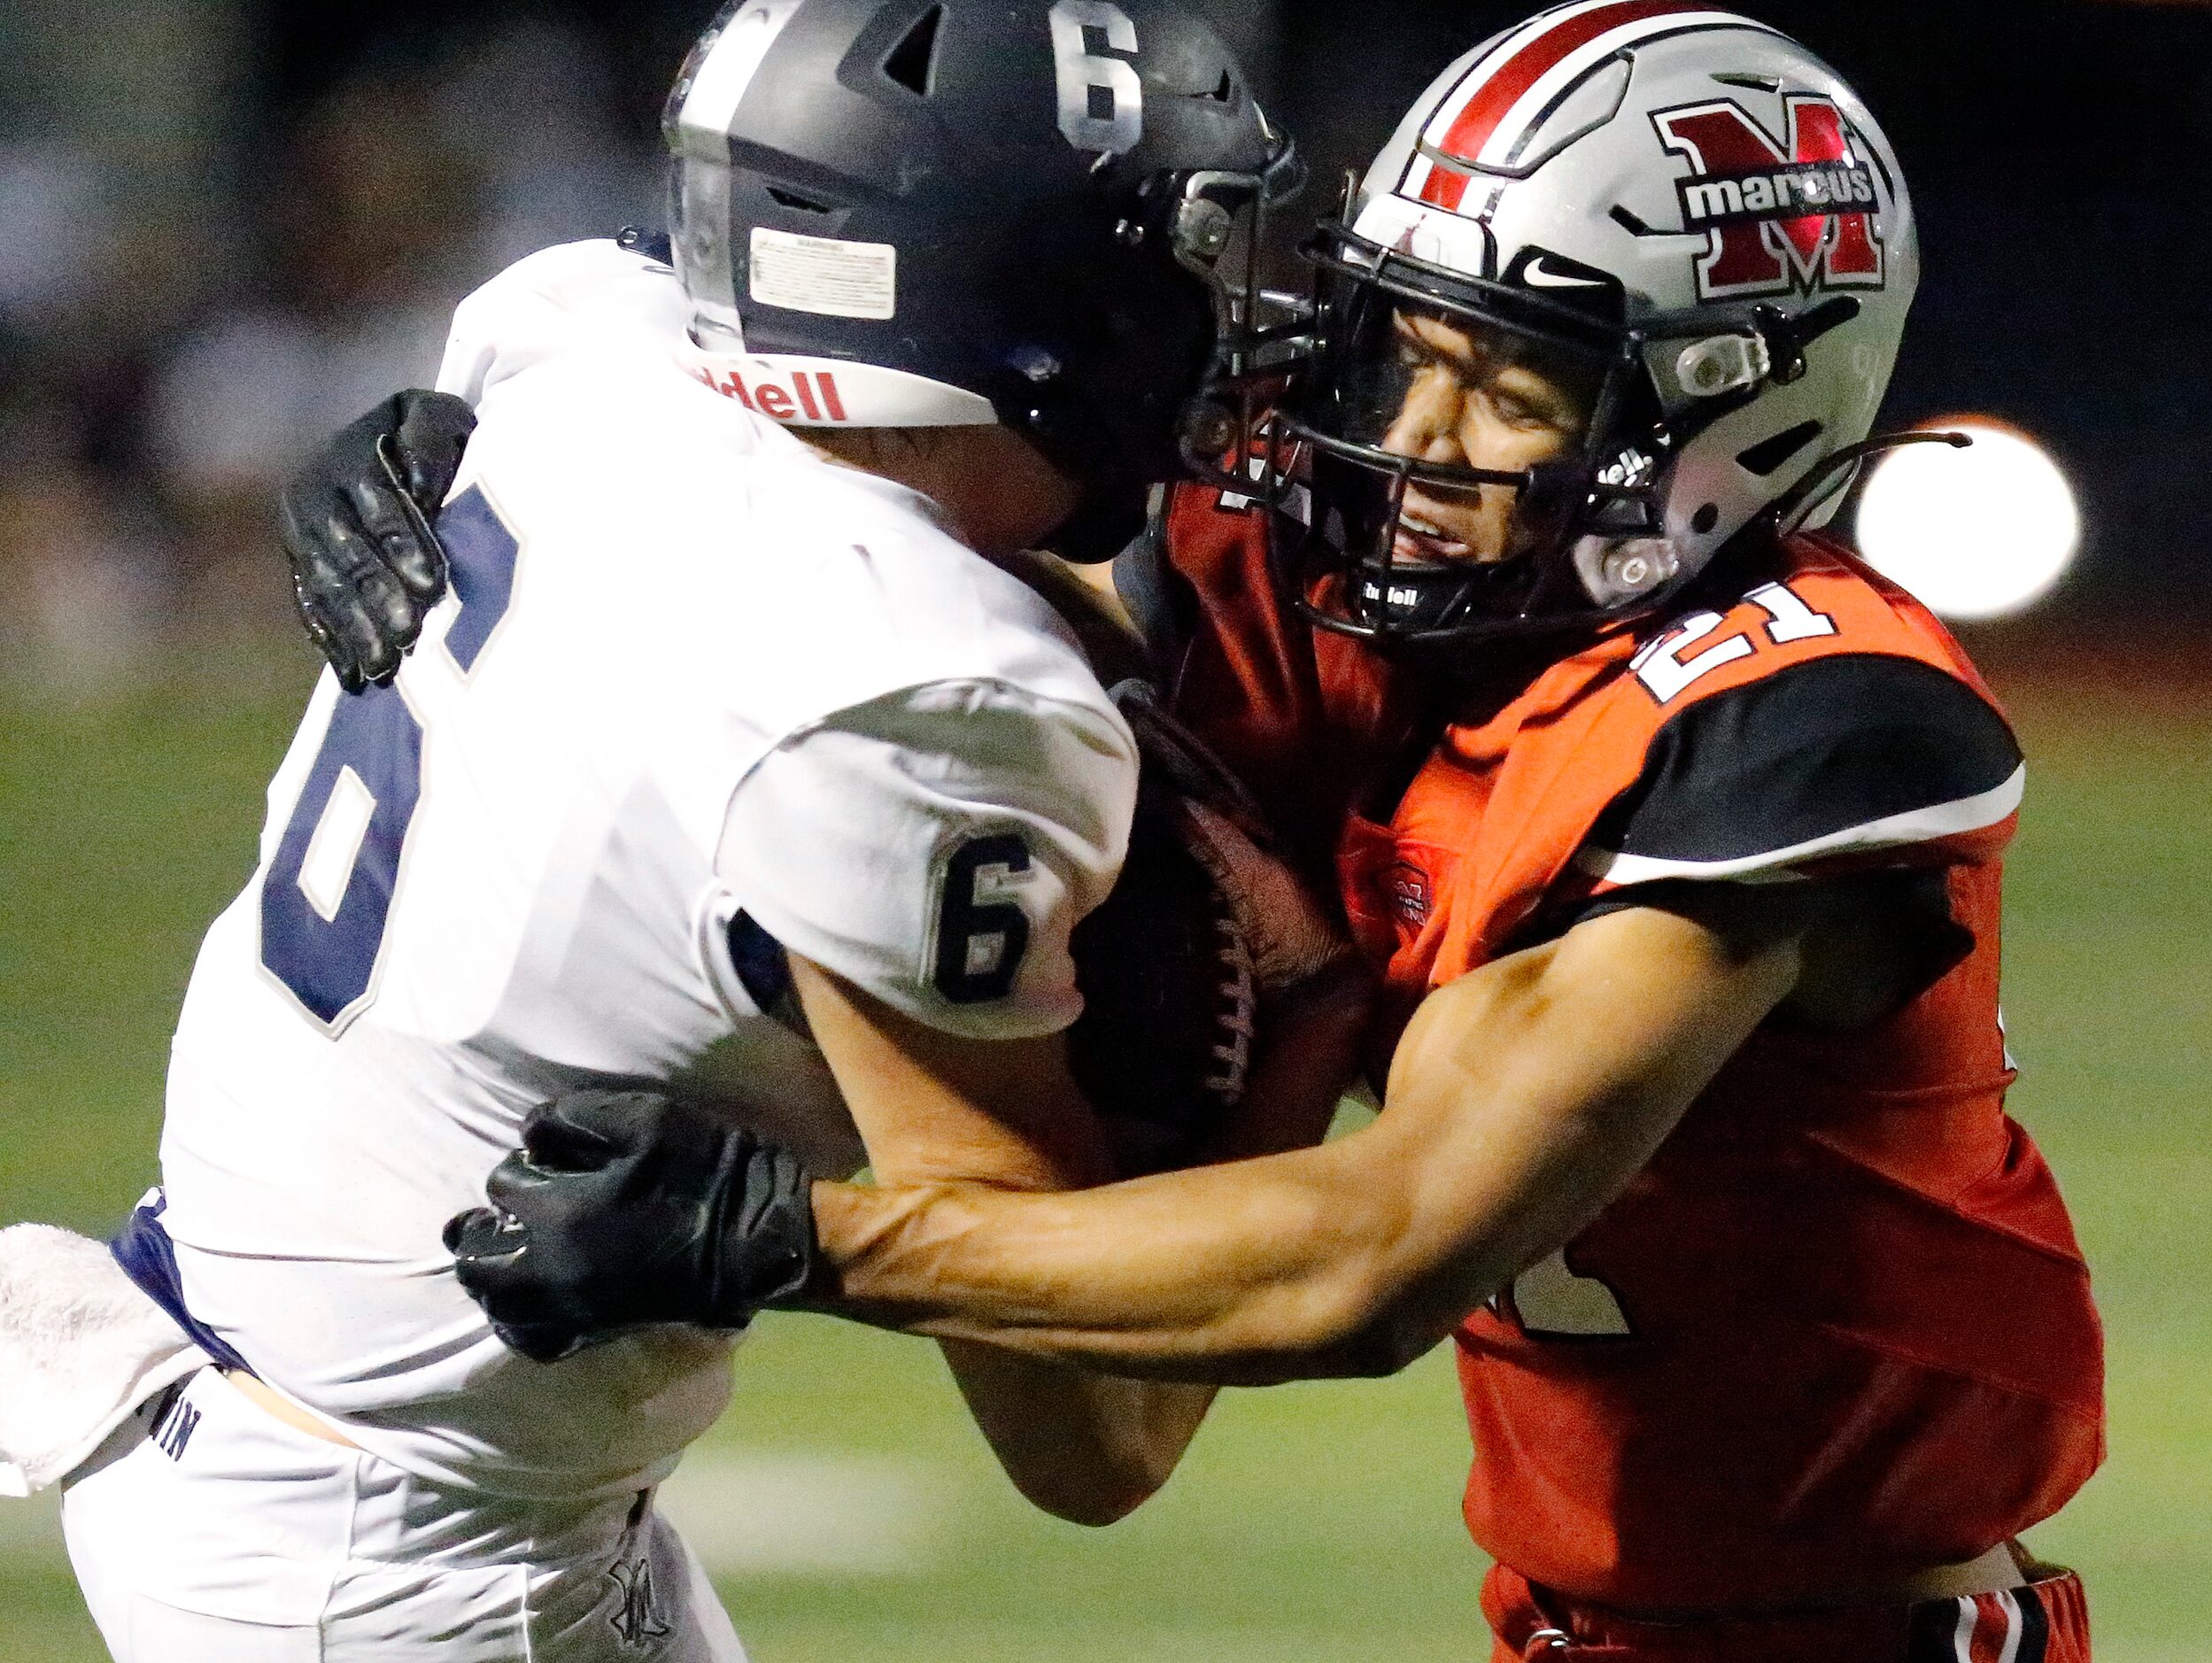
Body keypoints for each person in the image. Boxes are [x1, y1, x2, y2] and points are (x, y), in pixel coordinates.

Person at [309, 8, 2107, 1661]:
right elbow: (887, 411)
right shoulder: (1359, 584)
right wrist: (508, 468)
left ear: (1734, 401)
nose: (1414, 433)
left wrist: (792, 1239)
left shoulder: (1803, 721)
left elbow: (1377, 1256)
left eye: (1514, 385)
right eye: (1409, 344)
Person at [56, 4, 1315, 1659]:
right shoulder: (916, 693)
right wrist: (1301, 995)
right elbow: (1092, 1437)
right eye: (1173, 258)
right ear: (1035, 299)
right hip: (397, 1562)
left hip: (288, 1404)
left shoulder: (585, 336)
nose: (1217, 318)